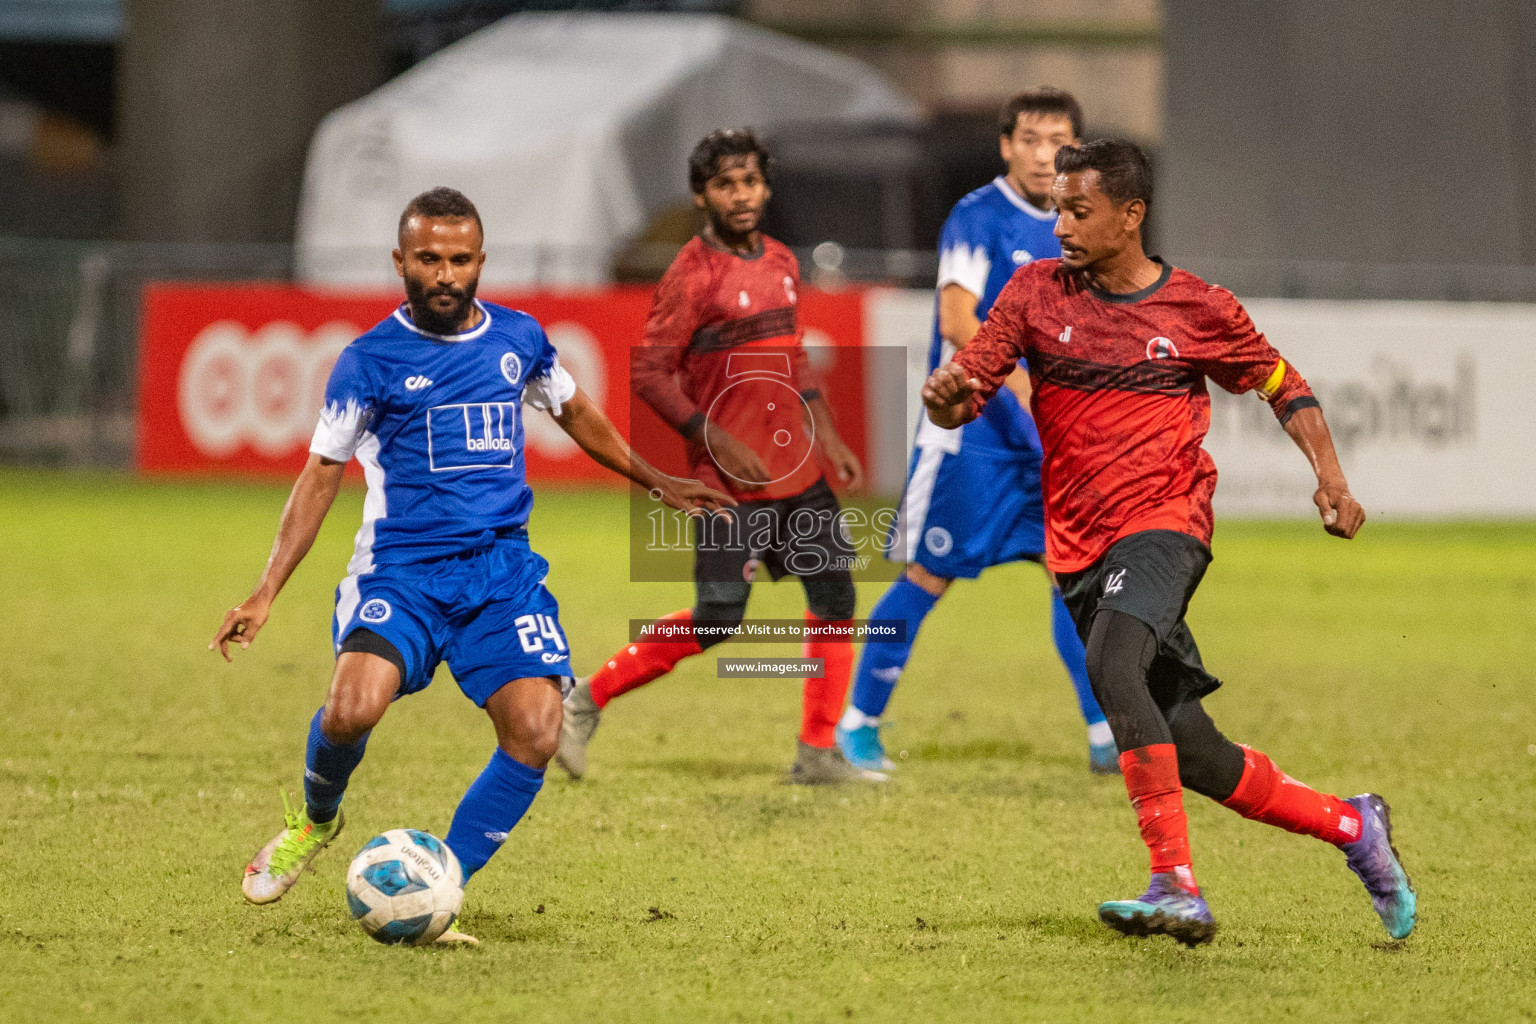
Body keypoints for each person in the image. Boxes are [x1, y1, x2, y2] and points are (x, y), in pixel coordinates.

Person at [921, 140, 1415, 946]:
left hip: (1165, 525)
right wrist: (944, 401)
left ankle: (1175, 884)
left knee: (1111, 666)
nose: (1062, 226)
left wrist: (1331, 478)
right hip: (1078, 548)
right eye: (1056, 210)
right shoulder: (1033, 294)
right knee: (1198, 755)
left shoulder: (1199, 307)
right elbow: (966, 392)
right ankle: (1354, 827)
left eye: (1079, 211)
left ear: (1131, 214)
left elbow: (1284, 386)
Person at [212, 187, 730, 942]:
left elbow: (575, 409)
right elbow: (320, 473)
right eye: (429, 259)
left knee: (537, 729)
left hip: (499, 574)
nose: (445, 274)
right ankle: (315, 821)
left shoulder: (520, 339)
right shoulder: (368, 361)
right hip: (403, 571)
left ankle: (436, 885)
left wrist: (656, 480)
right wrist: (266, 591)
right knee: (353, 709)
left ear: (481, 262)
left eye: (459, 259)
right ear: (401, 262)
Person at [555, 128, 882, 785]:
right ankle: (585, 699)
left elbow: (791, 355)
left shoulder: (783, 261)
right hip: (728, 481)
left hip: (797, 471)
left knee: (836, 594)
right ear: (702, 194)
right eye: (726, 184)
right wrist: (715, 437)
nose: (742, 195)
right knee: (718, 619)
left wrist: (827, 431)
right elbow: (650, 375)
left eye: (752, 181)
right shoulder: (690, 273)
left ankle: (817, 753)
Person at [837, 88, 1115, 775]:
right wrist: (1028, 388)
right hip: (973, 438)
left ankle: (1107, 736)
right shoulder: (978, 216)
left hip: (1047, 446)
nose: (1043, 152)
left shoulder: (1083, 224)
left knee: (1070, 578)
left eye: (1057, 139)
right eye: (1029, 138)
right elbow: (959, 322)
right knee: (928, 575)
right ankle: (856, 726)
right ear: (1006, 146)